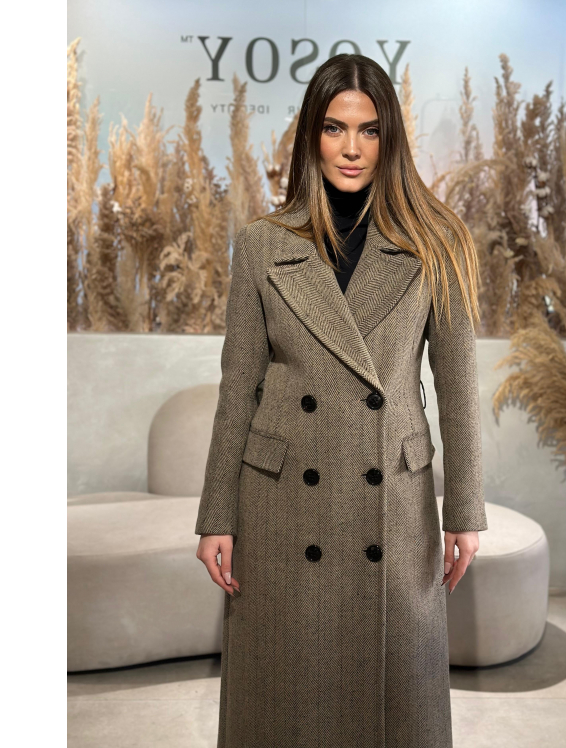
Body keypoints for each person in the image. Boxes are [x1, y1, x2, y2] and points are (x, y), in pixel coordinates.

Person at [195, 53, 488, 748]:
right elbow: (238, 386)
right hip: (282, 507)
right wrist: (216, 515)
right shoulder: (263, 244)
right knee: (284, 701)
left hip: (393, 502)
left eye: (369, 129)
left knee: (398, 700)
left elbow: (459, 386)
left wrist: (465, 509)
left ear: (390, 139)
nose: (351, 148)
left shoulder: (436, 243)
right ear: (311, 137)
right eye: (334, 128)